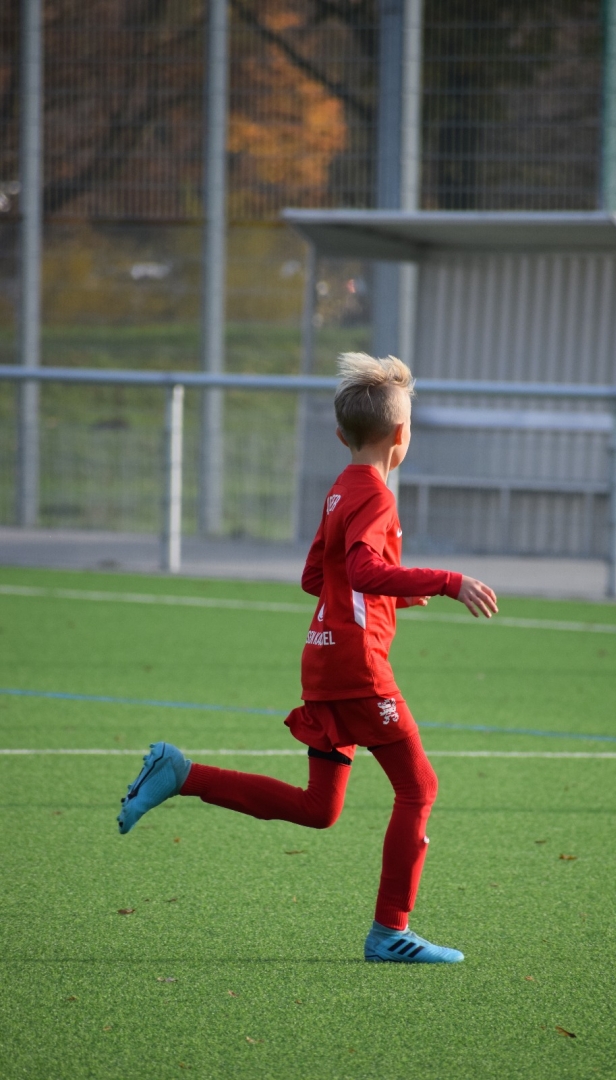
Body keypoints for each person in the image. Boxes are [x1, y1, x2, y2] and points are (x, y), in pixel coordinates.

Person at [118, 352, 498, 963]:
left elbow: (316, 577)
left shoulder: (340, 489)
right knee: (419, 787)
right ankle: (390, 932)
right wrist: (449, 581)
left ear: (342, 435)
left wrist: (392, 596)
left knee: (320, 810)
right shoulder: (377, 497)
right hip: (357, 668)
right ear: (402, 436)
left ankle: (182, 774)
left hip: (322, 658)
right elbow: (363, 570)